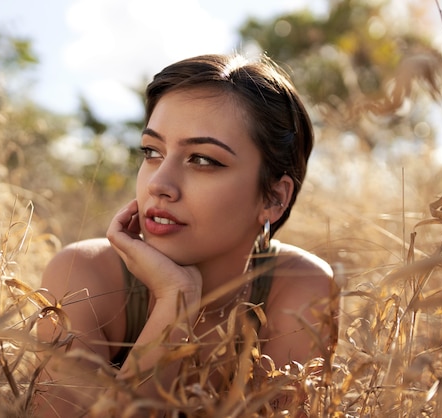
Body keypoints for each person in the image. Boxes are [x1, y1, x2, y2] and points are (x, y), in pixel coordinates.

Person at [36, 53, 338, 417]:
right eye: (152, 152)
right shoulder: (83, 277)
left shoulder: (300, 288)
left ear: (274, 198)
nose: (160, 184)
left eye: (203, 160)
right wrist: (175, 300)